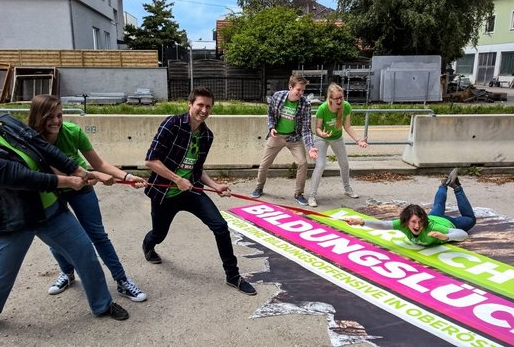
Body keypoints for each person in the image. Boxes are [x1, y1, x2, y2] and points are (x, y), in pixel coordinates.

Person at [0, 96, 128, 339]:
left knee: (85, 253)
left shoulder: (5, 123)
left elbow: (45, 149)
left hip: (50, 210)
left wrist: (82, 171)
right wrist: (69, 181)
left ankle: (102, 305)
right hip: (12, 220)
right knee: (2, 273)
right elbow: (21, 177)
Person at [27, 94, 147, 302]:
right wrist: (94, 176)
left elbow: (99, 164)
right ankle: (67, 273)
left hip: (81, 189)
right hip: (52, 191)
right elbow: (54, 169)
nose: (57, 121)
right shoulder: (30, 138)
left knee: (98, 235)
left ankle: (122, 281)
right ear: (38, 117)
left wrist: (127, 177)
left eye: (60, 115)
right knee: (56, 239)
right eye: (50, 116)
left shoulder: (73, 132)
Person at [142, 86, 257, 295]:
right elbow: (151, 160)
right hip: (165, 194)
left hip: (191, 191)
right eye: (200, 105)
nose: (204, 110)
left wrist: (215, 185)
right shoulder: (172, 124)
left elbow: (197, 168)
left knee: (220, 226)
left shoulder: (206, 136)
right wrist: (177, 179)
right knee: (159, 233)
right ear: (190, 105)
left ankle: (233, 276)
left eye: (208, 107)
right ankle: (148, 245)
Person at [344, 169, 476, 246]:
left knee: (470, 220)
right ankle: (444, 184)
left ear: (424, 220)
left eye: (420, 221)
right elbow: (384, 225)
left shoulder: (433, 228)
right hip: (433, 216)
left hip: (448, 223)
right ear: (406, 222)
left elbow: (463, 235)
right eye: (413, 222)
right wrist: (361, 222)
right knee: (438, 206)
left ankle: (456, 187)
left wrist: (446, 236)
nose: (417, 226)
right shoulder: (402, 225)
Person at [250, 72, 319, 206]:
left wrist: (310, 147)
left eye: (303, 90)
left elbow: (306, 128)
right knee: (264, 163)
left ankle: (298, 193)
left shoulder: (305, 104)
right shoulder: (278, 96)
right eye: (298, 89)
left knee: (303, 163)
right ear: (290, 87)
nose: (301, 93)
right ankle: (259, 187)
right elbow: (270, 114)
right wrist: (271, 128)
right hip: (276, 136)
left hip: (294, 138)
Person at [308, 83, 368, 207]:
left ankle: (347, 189)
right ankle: (312, 196)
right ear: (330, 98)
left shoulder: (346, 107)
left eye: (341, 97)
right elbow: (317, 128)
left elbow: (347, 126)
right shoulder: (323, 108)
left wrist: (358, 140)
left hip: (337, 137)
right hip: (321, 138)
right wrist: (322, 134)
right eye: (336, 98)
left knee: (344, 164)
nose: (339, 100)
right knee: (320, 165)